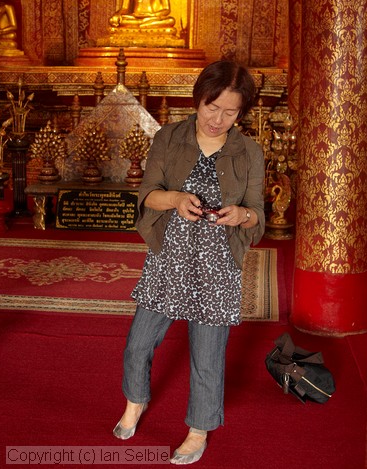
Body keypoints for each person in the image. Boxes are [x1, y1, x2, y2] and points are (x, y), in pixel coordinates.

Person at [112, 60, 265, 465]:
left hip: (217, 264)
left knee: (207, 355)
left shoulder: (249, 151)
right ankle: (135, 401)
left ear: (241, 113)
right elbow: (148, 195)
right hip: (170, 257)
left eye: (230, 112)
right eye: (211, 108)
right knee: (138, 343)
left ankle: (198, 429)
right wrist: (177, 200)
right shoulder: (170, 137)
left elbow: (257, 214)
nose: (218, 119)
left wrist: (241, 216)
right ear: (198, 99)